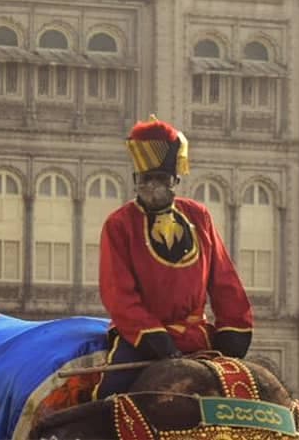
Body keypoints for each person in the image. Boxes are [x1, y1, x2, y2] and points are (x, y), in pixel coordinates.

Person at [94, 117, 252, 399]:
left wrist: (233, 330)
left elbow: (225, 280)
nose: (153, 186)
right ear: (135, 181)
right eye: (146, 179)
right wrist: (158, 341)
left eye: (161, 179)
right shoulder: (119, 224)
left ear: (175, 181)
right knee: (110, 400)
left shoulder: (199, 216)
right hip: (142, 340)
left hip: (198, 338)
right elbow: (118, 293)